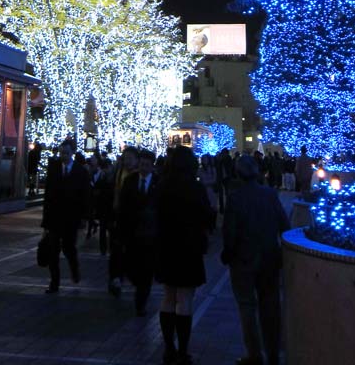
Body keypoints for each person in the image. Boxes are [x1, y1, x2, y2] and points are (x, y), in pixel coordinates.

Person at [222, 154, 290, 365]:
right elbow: (284, 225)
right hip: (269, 257)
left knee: (247, 306)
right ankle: (272, 353)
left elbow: (230, 232)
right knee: (270, 306)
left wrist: (228, 253)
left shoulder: (235, 198)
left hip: (243, 259)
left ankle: (254, 354)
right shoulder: (270, 194)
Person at [155, 145, 214, 365]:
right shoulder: (194, 187)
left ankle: (168, 348)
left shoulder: (162, 186)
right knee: (185, 299)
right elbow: (207, 216)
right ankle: (183, 350)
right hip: (189, 247)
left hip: (166, 245)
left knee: (168, 296)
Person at [41, 140, 91, 293]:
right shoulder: (54, 168)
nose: (64, 156)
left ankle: (74, 269)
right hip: (55, 218)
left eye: (67, 153)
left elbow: (85, 195)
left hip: (71, 218)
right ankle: (54, 282)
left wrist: (84, 217)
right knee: (53, 251)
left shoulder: (80, 171)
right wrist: (45, 221)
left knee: (69, 248)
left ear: (72, 153)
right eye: (62, 152)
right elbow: (48, 195)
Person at [118, 149, 159, 316]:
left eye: (147, 165)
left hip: (150, 236)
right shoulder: (130, 181)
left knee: (147, 272)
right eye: (141, 164)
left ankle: (140, 302)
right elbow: (123, 206)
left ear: (152, 166)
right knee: (132, 267)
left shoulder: (158, 183)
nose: (144, 167)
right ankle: (137, 283)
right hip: (132, 232)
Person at [108, 145, 138, 296]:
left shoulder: (139, 176)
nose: (128, 161)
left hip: (134, 219)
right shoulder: (118, 172)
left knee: (130, 251)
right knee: (117, 249)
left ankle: (126, 275)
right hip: (118, 216)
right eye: (125, 158)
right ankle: (116, 278)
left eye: (130, 159)